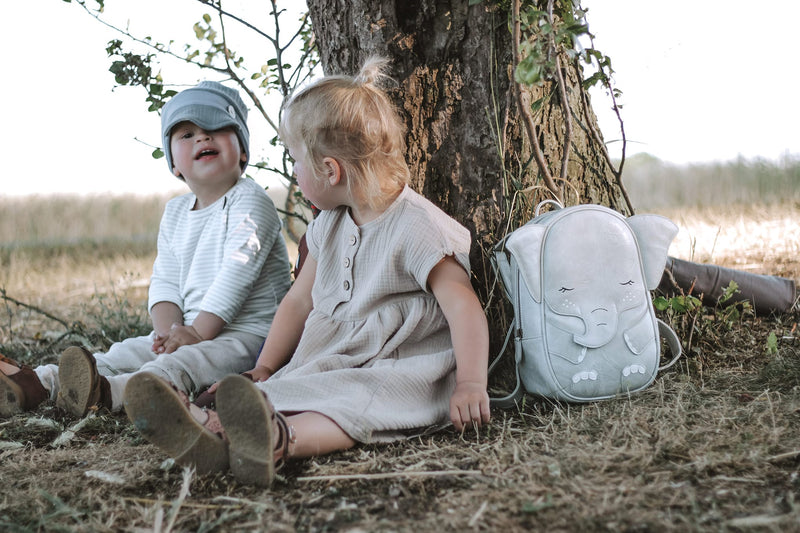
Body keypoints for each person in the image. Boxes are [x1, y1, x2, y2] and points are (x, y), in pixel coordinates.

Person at [123, 57, 492, 486]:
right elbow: (298, 302)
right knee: (290, 387)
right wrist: (264, 367)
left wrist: (469, 382)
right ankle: (218, 427)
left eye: (296, 162)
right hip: (334, 354)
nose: (294, 174)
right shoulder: (328, 225)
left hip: (401, 361)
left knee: (357, 401)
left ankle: (280, 439)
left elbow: (462, 304)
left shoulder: (417, 225)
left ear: (329, 170)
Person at [0, 81, 292, 420]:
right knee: (129, 349)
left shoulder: (251, 199)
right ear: (175, 165)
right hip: (191, 330)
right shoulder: (177, 211)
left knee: (186, 362)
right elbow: (165, 279)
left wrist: (195, 334)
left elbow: (236, 274)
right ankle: (40, 382)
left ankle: (112, 393)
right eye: (187, 134)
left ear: (242, 151)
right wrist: (169, 333)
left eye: (217, 128)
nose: (203, 137)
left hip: (251, 338)